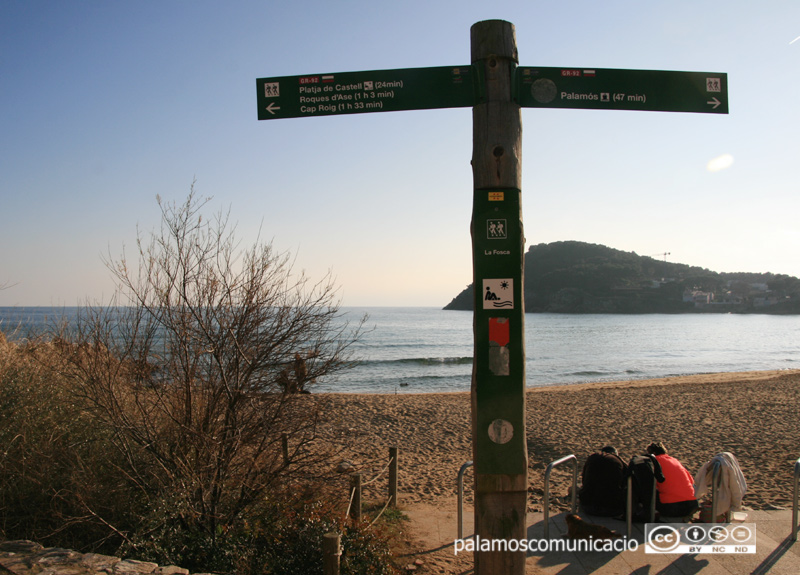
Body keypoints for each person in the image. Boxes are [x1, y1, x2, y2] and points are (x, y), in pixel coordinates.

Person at [646, 441, 699, 518]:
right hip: (692, 506)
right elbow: (691, 481)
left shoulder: (653, 461)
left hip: (671, 508)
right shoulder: (675, 461)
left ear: (652, 453)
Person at [578, 446, 628, 517]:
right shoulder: (618, 462)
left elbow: (584, 480)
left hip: (588, 506)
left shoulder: (593, 459)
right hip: (613, 508)